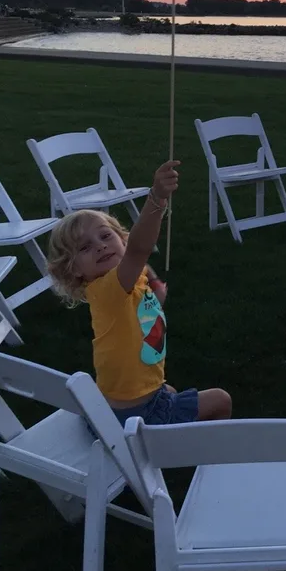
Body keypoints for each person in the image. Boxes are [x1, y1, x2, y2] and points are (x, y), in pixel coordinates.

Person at [46, 160, 233, 425]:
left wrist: (154, 286)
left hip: (118, 404)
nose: (99, 247)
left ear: (120, 239)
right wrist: (157, 199)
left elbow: (147, 290)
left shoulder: (122, 285)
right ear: (73, 269)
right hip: (137, 415)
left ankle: (171, 438)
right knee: (221, 400)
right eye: (85, 248)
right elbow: (138, 250)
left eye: (105, 236)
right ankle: (207, 462)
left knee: (170, 390)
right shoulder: (108, 289)